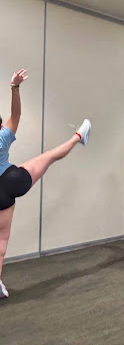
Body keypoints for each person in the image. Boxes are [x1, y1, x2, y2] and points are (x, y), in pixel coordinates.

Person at [0, 69, 91, 299]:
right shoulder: (1, 136)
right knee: (1, 241)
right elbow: (16, 115)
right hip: (10, 183)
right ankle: (79, 136)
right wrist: (15, 87)